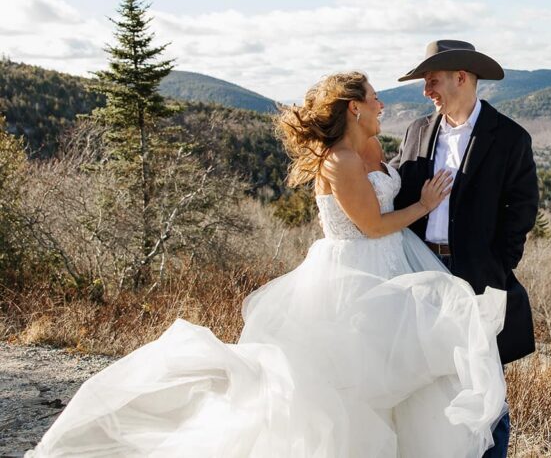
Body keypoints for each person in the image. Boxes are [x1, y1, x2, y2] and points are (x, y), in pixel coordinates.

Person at [28, 71, 508, 458]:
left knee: (411, 379)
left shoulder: (371, 148)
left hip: (393, 267)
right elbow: (371, 225)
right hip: (353, 280)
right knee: (351, 389)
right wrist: (424, 206)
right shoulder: (338, 161)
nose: (383, 106)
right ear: (354, 107)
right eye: (375, 98)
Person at [393, 40, 539, 458]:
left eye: (432, 80)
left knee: (484, 381)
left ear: (461, 77)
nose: (426, 91)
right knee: (429, 377)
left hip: (477, 276)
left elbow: (521, 209)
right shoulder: (418, 130)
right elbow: (403, 196)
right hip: (420, 272)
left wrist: (496, 267)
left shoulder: (510, 138)